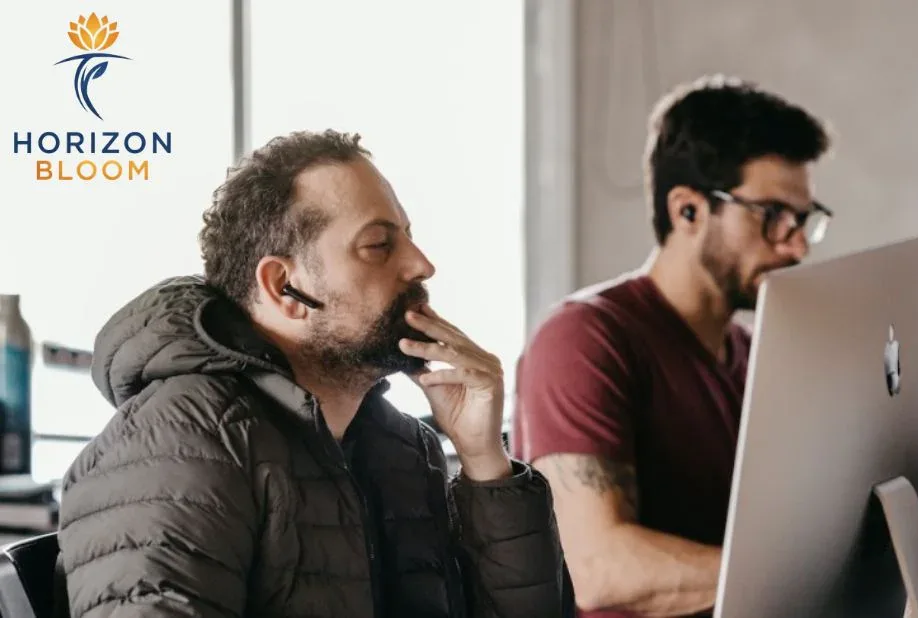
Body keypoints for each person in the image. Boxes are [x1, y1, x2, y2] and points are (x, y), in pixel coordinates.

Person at [58, 130, 564, 618]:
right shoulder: (182, 442)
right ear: (284, 287)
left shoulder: (401, 449)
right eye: (379, 245)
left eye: (409, 238)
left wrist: (484, 461)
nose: (421, 265)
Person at [511, 75, 833, 618]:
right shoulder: (583, 339)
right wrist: (812, 577)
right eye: (773, 216)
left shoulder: (756, 355)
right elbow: (598, 570)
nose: (797, 245)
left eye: (803, 220)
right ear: (688, 210)